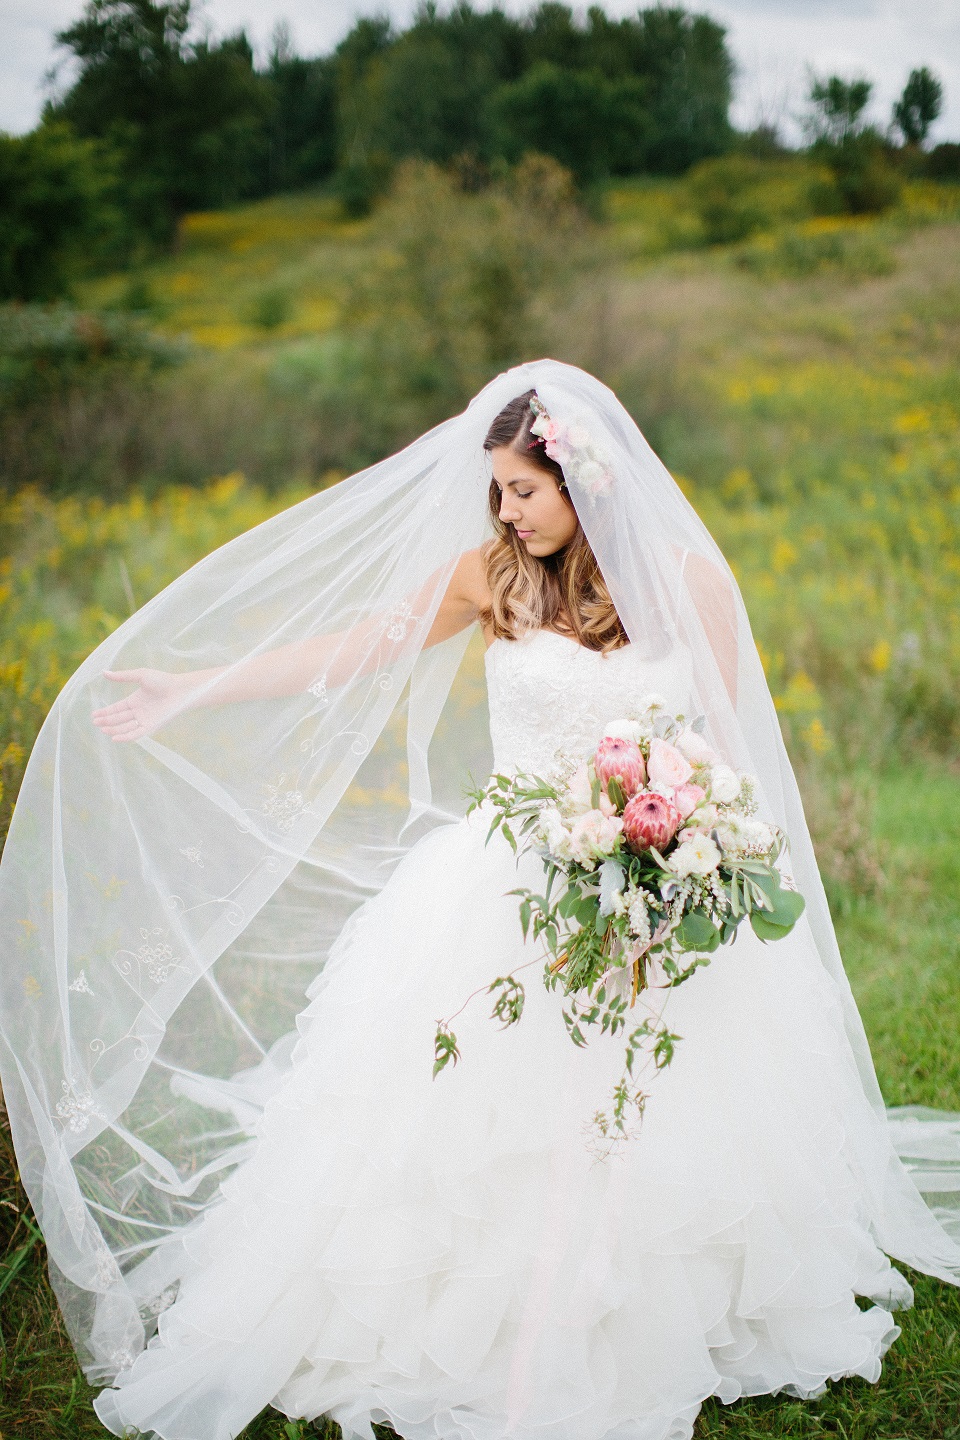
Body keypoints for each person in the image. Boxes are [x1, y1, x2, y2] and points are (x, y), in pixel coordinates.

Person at [0, 361, 957, 1440]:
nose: (507, 510)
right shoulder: (485, 577)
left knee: (659, 1112)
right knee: (477, 1117)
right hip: (506, 888)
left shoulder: (691, 584)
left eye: (525, 490)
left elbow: (728, 749)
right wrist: (193, 689)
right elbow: (355, 655)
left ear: (584, 484)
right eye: (497, 490)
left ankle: (644, 1304)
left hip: (661, 882)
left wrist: (706, 853)